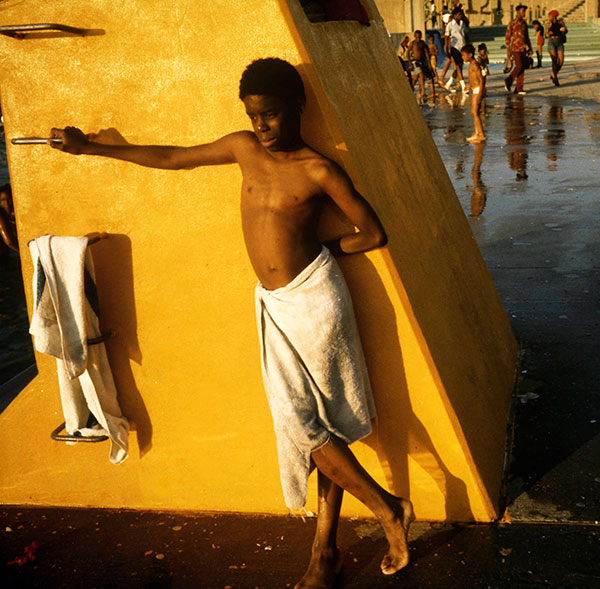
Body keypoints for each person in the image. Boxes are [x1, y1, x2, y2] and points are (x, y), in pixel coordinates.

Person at [48, 58, 414, 588]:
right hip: (273, 305)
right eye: (254, 115)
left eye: (271, 115)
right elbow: (175, 157)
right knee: (313, 427)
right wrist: (92, 148)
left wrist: (329, 248)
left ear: (297, 109)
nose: (262, 126)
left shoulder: (319, 171)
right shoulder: (244, 148)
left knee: (311, 426)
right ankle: (327, 554)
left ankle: (383, 515)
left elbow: (372, 233)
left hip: (316, 303)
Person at [505, 4, 532, 95]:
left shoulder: (524, 23)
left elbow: (527, 37)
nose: (524, 13)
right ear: (517, 12)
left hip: (523, 48)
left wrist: (530, 48)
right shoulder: (512, 23)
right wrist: (508, 51)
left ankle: (519, 88)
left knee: (522, 68)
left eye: (525, 11)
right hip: (515, 48)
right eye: (523, 11)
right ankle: (509, 80)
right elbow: (507, 37)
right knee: (519, 66)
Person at [462, 45, 487, 143]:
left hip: (478, 90)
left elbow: (480, 79)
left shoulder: (475, 65)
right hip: (475, 89)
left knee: (474, 112)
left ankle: (481, 134)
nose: (463, 57)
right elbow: (473, 78)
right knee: (474, 113)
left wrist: (481, 91)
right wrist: (469, 85)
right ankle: (477, 133)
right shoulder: (471, 64)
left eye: (464, 55)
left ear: (470, 55)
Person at [444, 8, 471, 93]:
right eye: (459, 14)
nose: (461, 16)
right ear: (455, 15)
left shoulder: (463, 24)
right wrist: (447, 49)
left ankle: (449, 83)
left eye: (461, 14)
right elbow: (446, 37)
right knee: (458, 65)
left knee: (460, 66)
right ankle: (463, 87)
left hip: (462, 47)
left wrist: (468, 44)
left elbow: (466, 34)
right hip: (454, 47)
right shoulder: (450, 25)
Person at [409, 30, 437, 101]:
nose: (418, 39)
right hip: (415, 62)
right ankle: (423, 93)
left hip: (422, 62)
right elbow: (407, 53)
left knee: (416, 79)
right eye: (417, 37)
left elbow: (426, 54)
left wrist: (429, 63)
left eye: (419, 37)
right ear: (414, 36)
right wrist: (410, 64)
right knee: (420, 75)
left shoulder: (422, 43)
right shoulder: (412, 43)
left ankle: (411, 92)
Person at [546, 10, 567, 86]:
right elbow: (546, 35)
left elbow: (566, 31)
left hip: (559, 42)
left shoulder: (560, 23)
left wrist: (564, 30)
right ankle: (555, 79)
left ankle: (553, 74)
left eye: (550, 16)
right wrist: (548, 33)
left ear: (554, 16)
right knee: (554, 60)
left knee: (561, 62)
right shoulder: (548, 24)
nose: (549, 18)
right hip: (552, 42)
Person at [0, 183, 18, 260]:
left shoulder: (17, 213)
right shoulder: (1, 215)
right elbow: (9, 242)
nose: (6, 202)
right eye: (3, 200)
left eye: (9, 198)